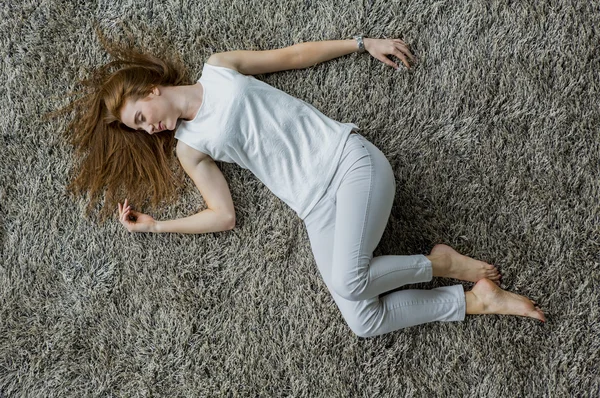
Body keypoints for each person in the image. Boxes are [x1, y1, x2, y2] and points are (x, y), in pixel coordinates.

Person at [61, 31, 545, 338]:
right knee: (363, 320)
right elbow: (223, 215)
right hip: (315, 209)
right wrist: (155, 228)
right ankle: (475, 300)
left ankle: (439, 263)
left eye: (143, 117)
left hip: (348, 162)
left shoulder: (219, 68)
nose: (150, 130)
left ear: (152, 89)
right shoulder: (189, 148)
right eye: (139, 129)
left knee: (348, 281)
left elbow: (293, 56)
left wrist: (361, 44)